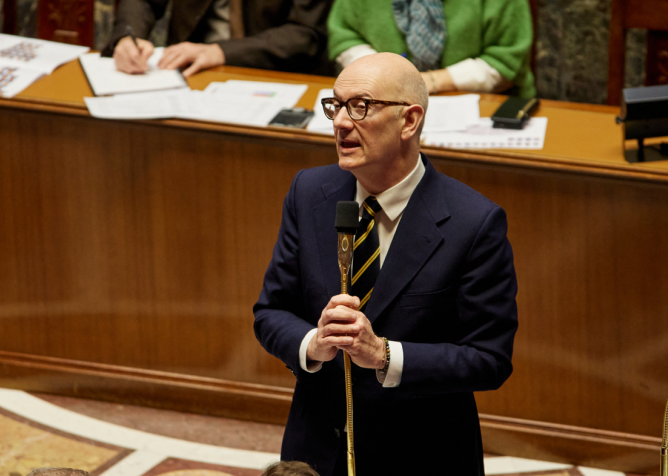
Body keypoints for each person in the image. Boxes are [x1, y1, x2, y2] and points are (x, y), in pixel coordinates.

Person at [253, 53, 518, 475]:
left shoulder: (474, 223)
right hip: (316, 449)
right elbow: (270, 312)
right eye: (335, 106)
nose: (340, 122)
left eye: (360, 106)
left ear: (409, 121)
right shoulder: (310, 192)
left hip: (421, 455)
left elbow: (488, 358)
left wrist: (384, 355)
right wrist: (313, 344)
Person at [327, 0, 535, 97]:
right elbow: (345, 36)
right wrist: (381, 73)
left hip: (481, 103)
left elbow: (505, 61)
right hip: (381, 98)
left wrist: (428, 82)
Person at [102, 0, 334, 77]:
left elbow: (306, 34)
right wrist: (127, 36)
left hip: (274, 73)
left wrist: (220, 52)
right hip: (187, 72)